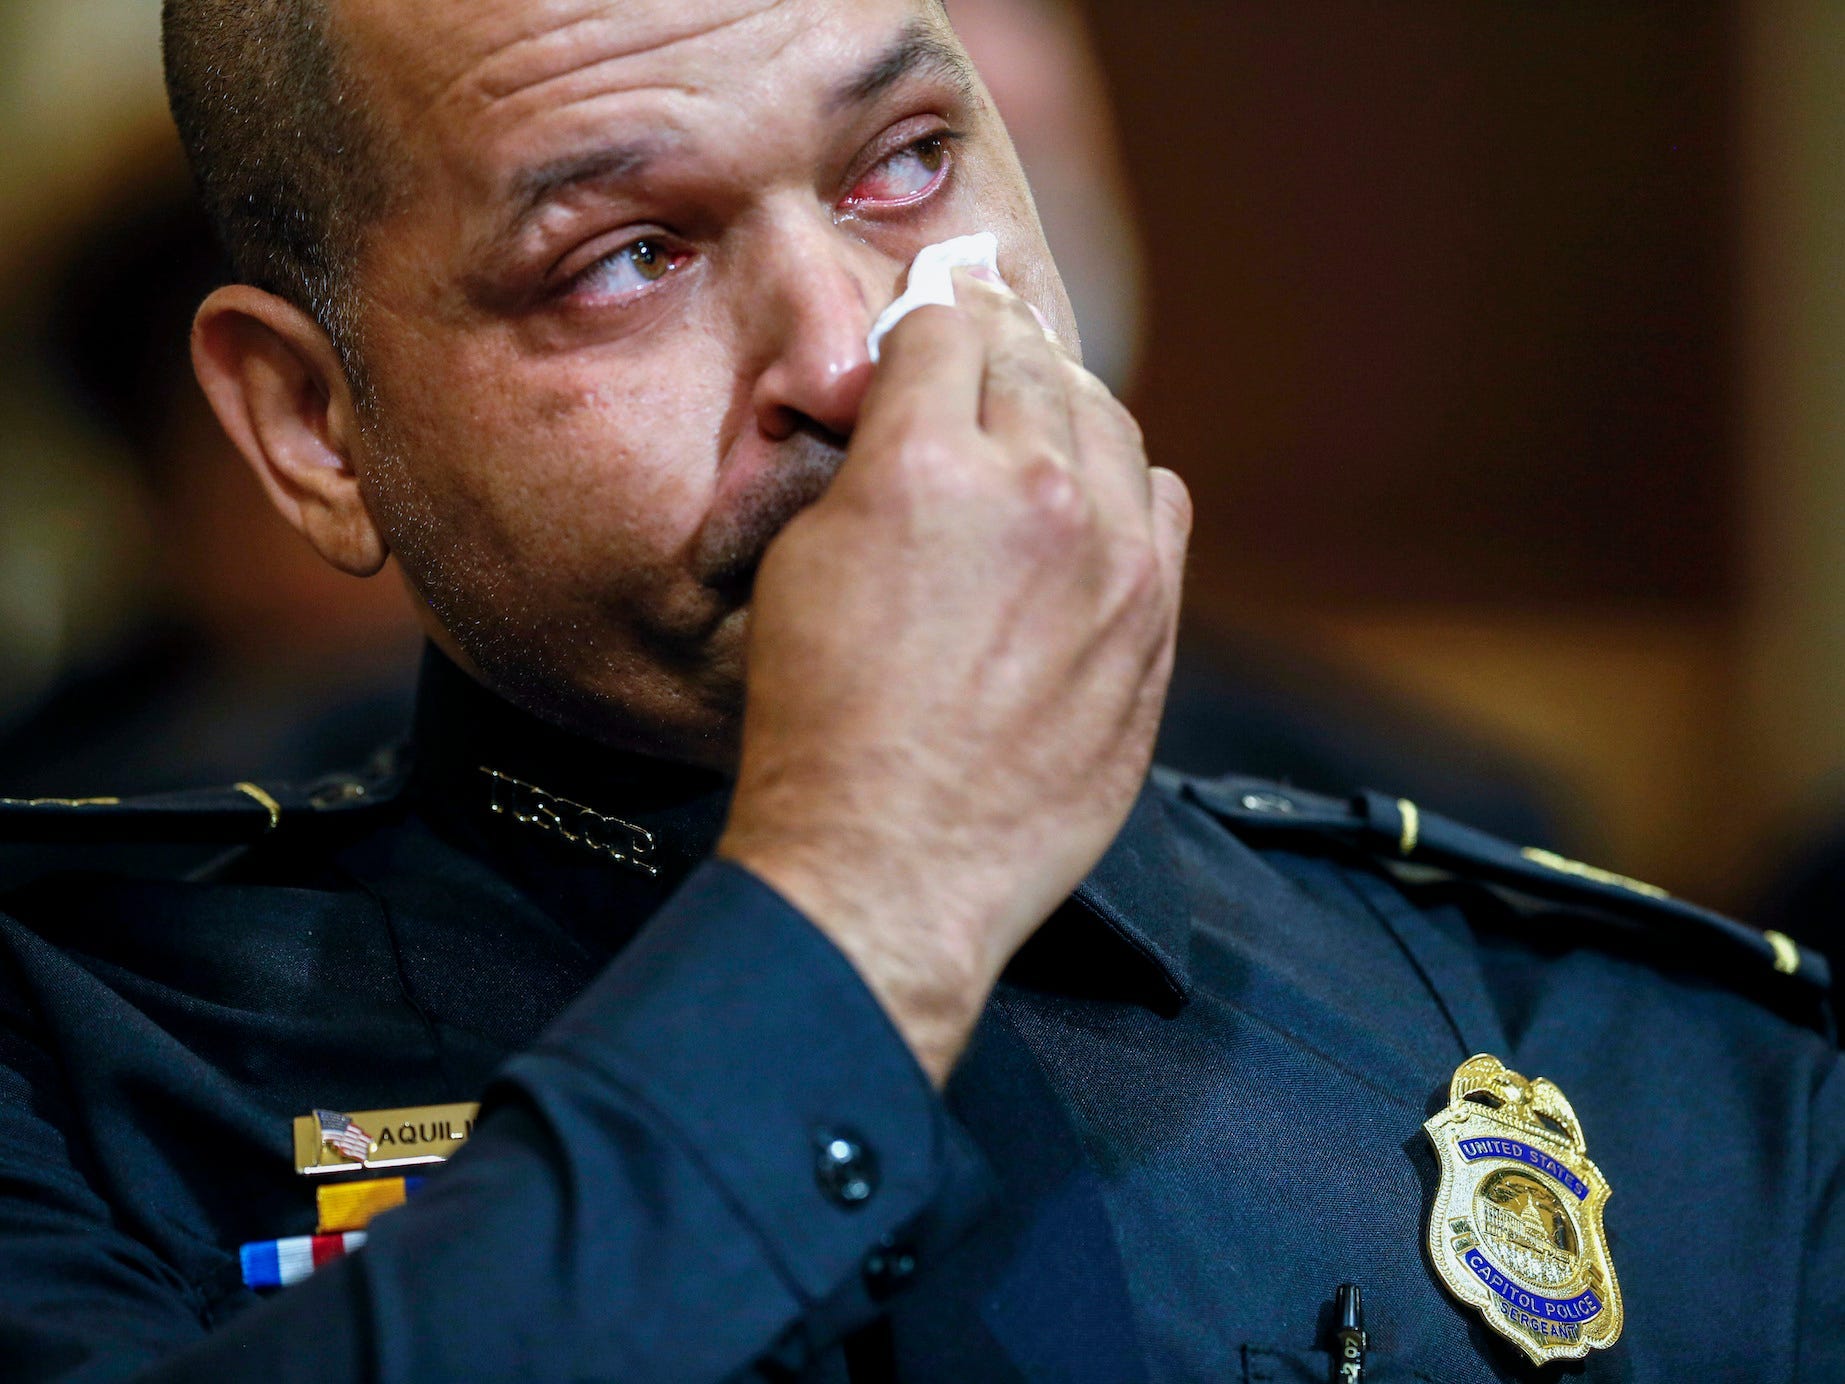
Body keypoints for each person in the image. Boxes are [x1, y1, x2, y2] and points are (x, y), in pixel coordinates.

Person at [0, 2, 1838, 1381]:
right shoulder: (77, 1063)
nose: (847, 352)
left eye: (904, 163)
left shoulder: (1648, 1062)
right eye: (624, 257)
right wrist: (872, 887)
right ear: (312, 428)